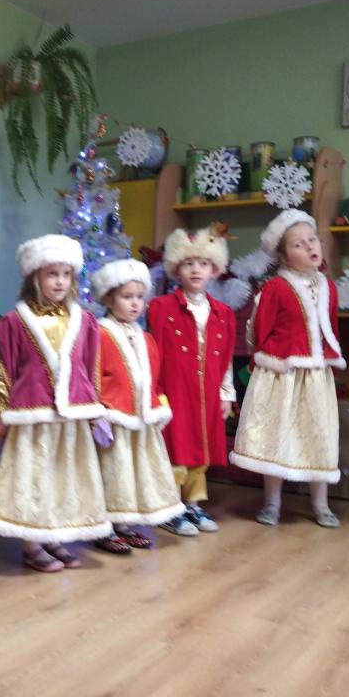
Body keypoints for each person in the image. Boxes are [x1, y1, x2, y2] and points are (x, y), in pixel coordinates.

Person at [0, 234, 111, 572]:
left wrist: (95, 411)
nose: (59, 281)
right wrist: (0, 415)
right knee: (35, 478)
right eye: (51, 274)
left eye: (66, 274)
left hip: (71, 415)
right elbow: (4, 368)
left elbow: (90, 366)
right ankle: (32, 543)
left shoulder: (85, 321)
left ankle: (54, 535)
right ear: (35, 277)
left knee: (62, 476)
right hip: (31, 415)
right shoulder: (14, 322)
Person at [230, 209, 344, 527]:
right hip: (283, 374)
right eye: (298, 244)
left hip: (316, 376)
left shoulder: (329, 288)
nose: (309, 246)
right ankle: (272, 502)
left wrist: (329, 362)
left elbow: (330, 329)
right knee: (277, 435)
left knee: (318, 435)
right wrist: (266, 363)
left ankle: (321, 504)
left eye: (312, 239)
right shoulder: (275, 288)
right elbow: (260, 330)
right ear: (282, 256)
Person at [91, 259, 185, 553]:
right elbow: (92, 376)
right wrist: (97, 414)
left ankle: (124, 524)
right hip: (114, 417)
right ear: (109, 299)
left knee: (133, 473)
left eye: (140, 297)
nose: (135, 303)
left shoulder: (145, 338)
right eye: (127, 296)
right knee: (114, 473)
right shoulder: (99, 333)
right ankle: (105, 527)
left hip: (141, 418)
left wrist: (157, 407)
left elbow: (153, 378)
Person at [147, 225, 235, 535]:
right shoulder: (161, 308)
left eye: (203, 263)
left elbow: (225, 358)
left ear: (214, 270)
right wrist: (155, 394)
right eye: (188, 263)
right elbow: (152, 353)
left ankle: (193, 504)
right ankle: (171, 505)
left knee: (201, 449)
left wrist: (226, 393)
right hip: (174, 392)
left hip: (207, 392)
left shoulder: (223, 313)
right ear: (176, 268)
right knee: (176, 447)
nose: (196, 270)